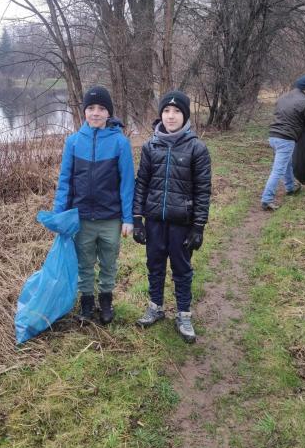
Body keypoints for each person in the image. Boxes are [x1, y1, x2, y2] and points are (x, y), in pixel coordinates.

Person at [132, 90, 211, 343]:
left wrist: (198, 226)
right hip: (155, 220)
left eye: (176, 111)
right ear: (161, 115)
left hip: (182, 223)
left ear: (185, 115)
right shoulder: (150, 146)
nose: (171, 116)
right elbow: (141, 183)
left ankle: (184, 314)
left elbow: (203, 189)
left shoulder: (197, 148)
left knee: (182, 269)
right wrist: (137, 219)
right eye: (166, 111)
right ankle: (155, 307)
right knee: (154, 265)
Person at [53, 86, 135, 324]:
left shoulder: (120, 143)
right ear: (84, 112)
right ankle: (87, 302)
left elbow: (128, 184)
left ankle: (106, 301)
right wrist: (59, 216)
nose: (96, 113)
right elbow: (65, 182)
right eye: (91, 108)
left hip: (111, 218)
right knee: (85, 263)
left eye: (101, 108)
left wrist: (128, 218)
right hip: (82, 219)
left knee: (109, 263)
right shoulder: (73, 143)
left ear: (108, 113)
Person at [261, 75, 305, 211]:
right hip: (286, 139)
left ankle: (290, 187)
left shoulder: (283, 98)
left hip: (273, 136)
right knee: (278, 170)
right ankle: (267, 199)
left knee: (287, 162)